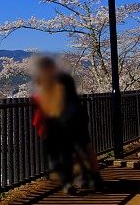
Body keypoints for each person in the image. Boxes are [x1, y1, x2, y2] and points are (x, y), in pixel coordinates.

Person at [31, 56, 103, 193]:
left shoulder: (47, 82)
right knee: (84, 149)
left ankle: (69, 181)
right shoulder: (65, 79)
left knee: (65, 153)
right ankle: (93, 177)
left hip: (61, 123)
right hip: (76, 120)